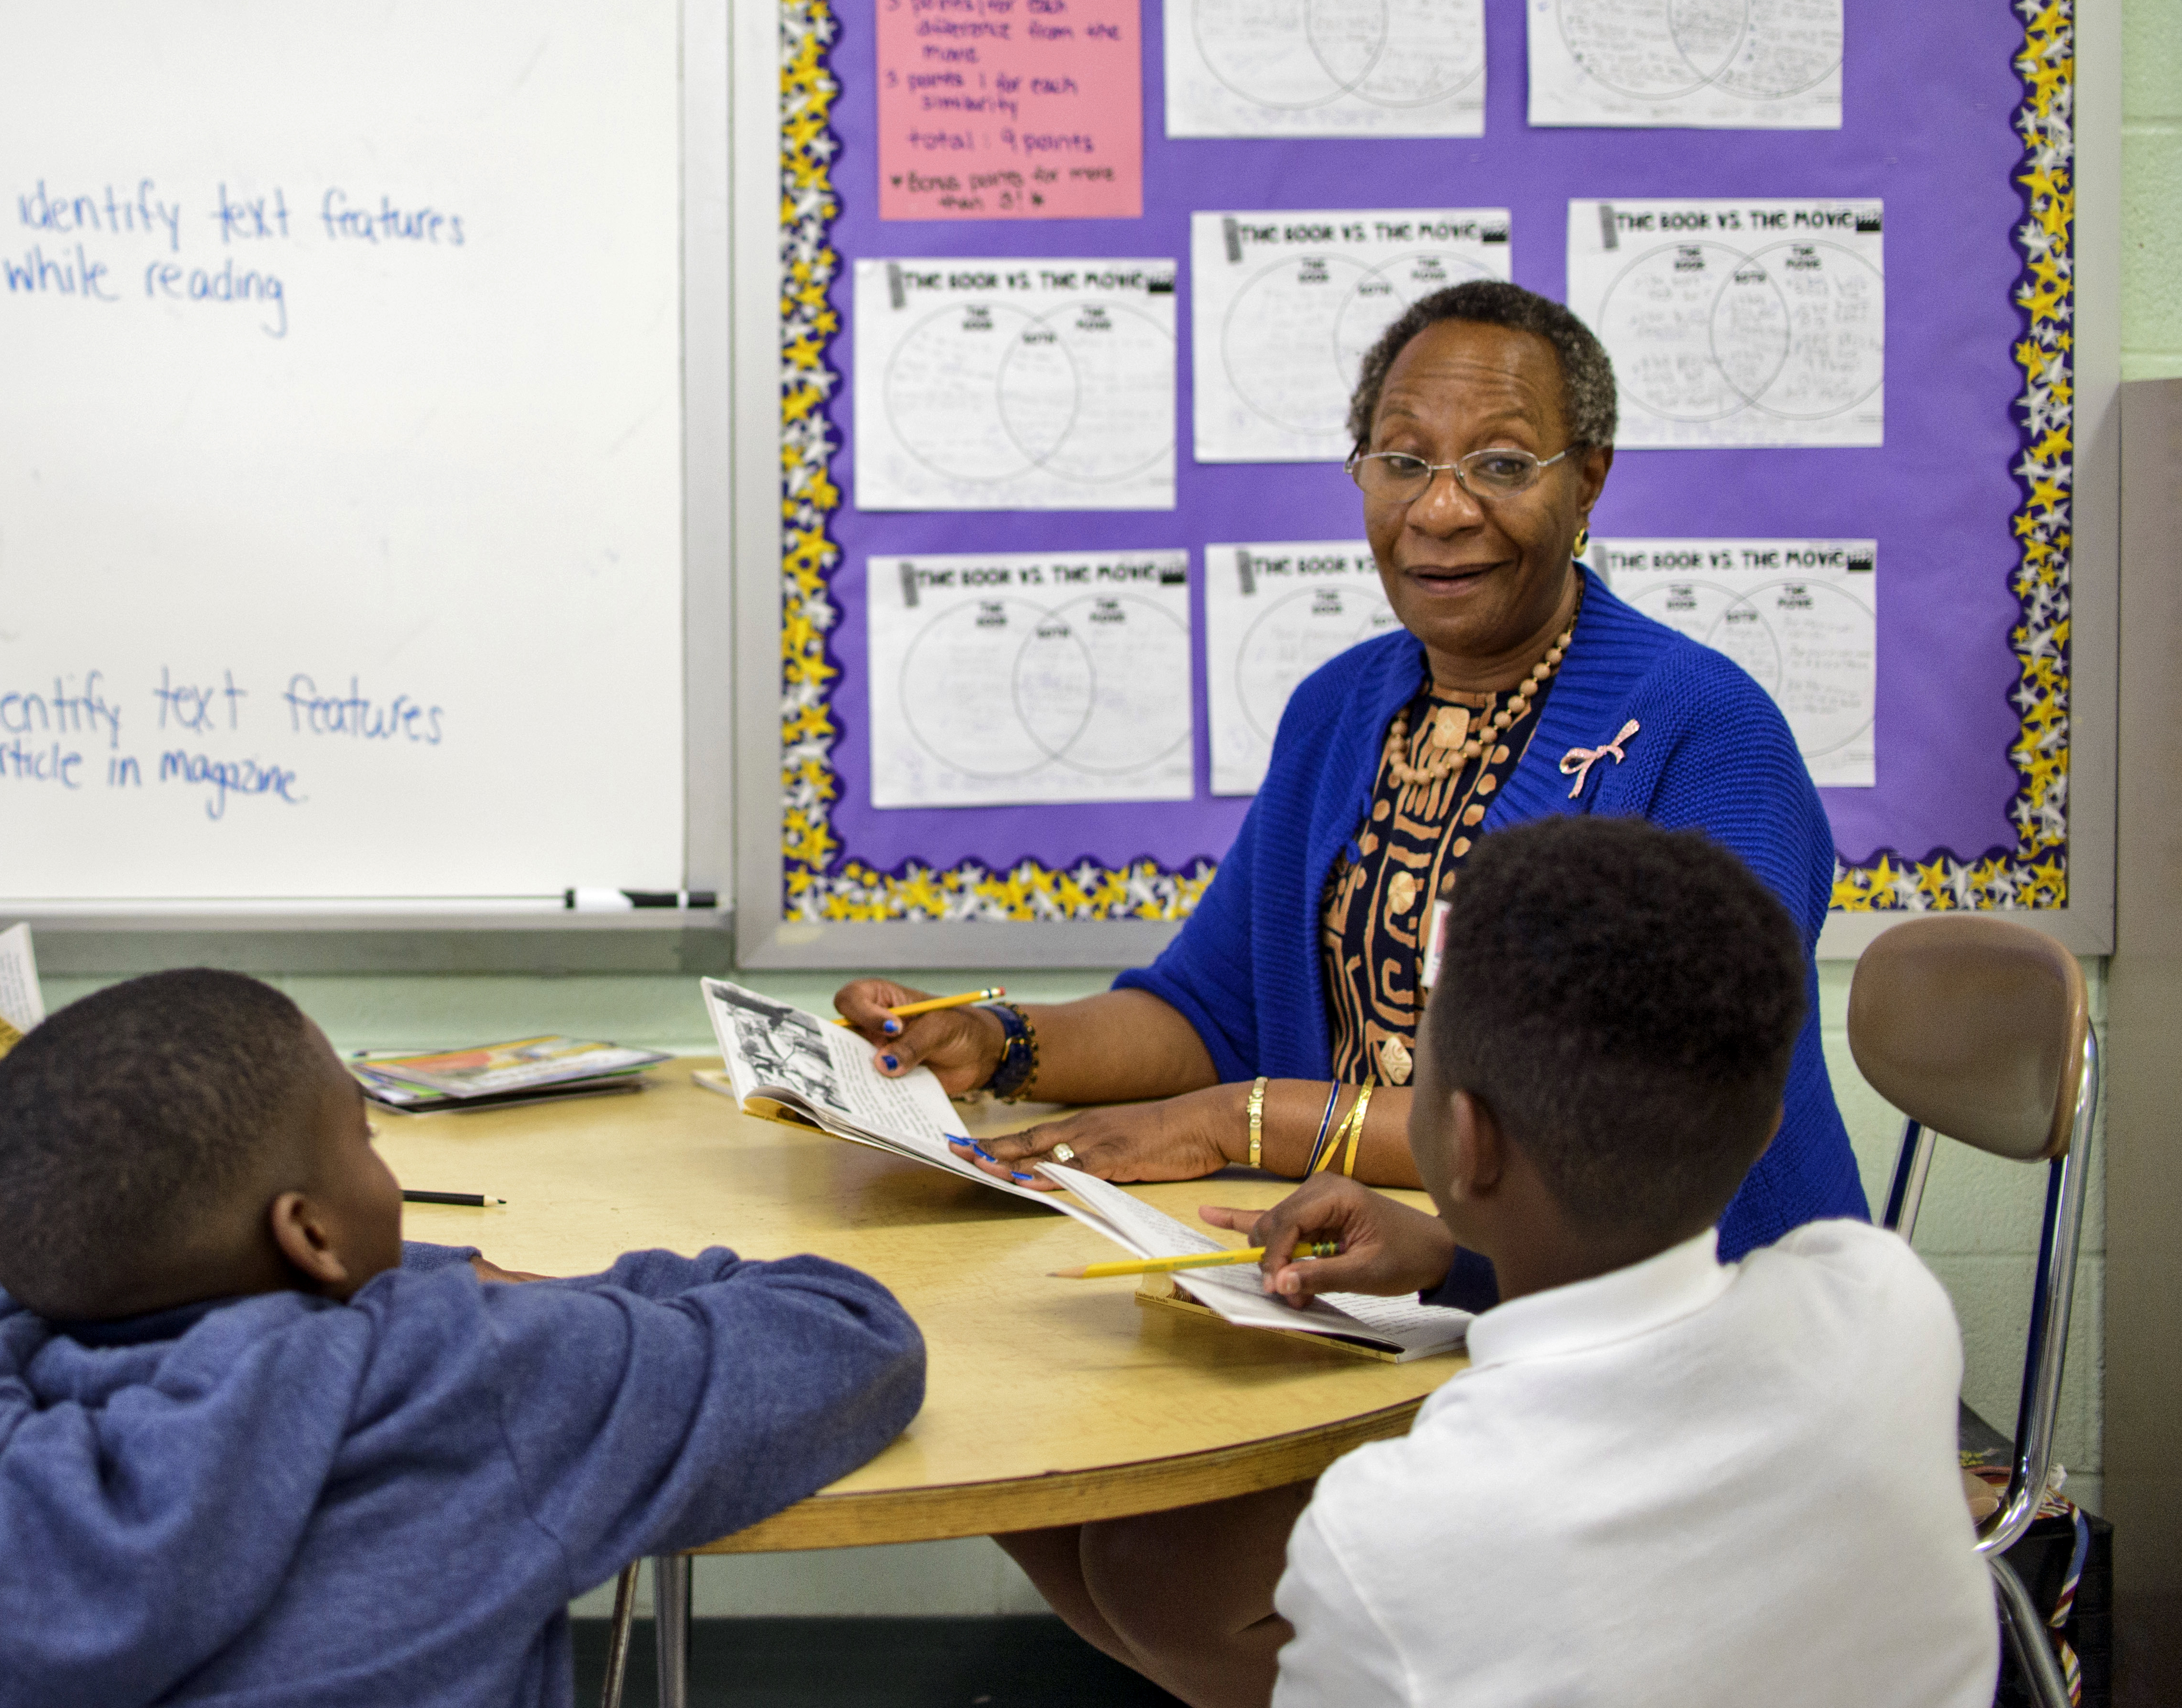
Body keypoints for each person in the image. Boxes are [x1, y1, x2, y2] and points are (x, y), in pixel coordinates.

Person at [835, 281, 1871, 1707]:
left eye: (1502, 464)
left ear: (1591, 482)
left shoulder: (1705, 731)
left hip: (1650, 1333)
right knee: (1034, 1479)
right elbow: (1201, 1005)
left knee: (1178, 1577)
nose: (1442, 511)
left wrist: (1239, 1124)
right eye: (1402, 461)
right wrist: (1002, 1043)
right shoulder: (1345, 705)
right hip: (1395, 1290)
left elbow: (1644, 1112)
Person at [0, 967, 929, 1708]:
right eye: (364, 1139)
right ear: (309, 1234)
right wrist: (483, 1287)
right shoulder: (462, 1374)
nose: (384, 1171)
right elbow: (849, 1331)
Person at [1215, 817, 1993, 1705]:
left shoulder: (1386, 1535)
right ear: (1766, 1129)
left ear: (1465, 1142)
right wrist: (1450, 1259)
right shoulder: (1887, 1305)